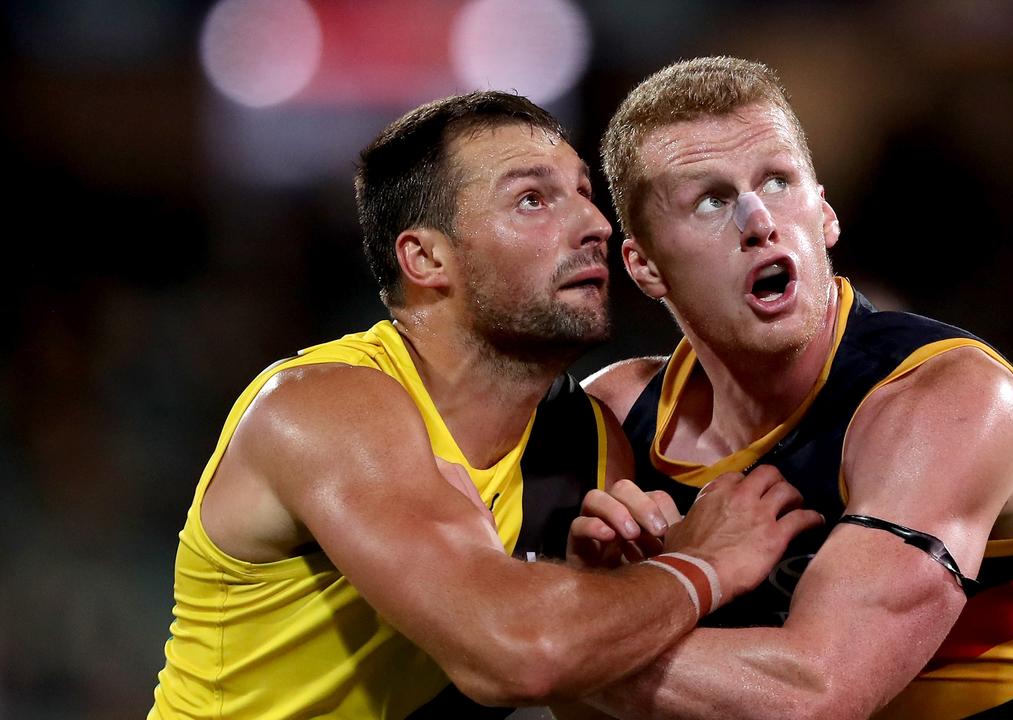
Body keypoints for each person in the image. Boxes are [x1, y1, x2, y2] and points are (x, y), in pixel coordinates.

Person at [147, 90, 821, 720]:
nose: (591, 223)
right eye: (533, 199)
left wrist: (597, 592)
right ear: (426, 258)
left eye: (584, 194)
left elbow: (583, 695)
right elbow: (517, 654)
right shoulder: (321, 409)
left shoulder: (587, 443)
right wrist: (702, 568)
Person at [575, 57, 1013, 719]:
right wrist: (601, 594)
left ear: (825, 215)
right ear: (643, 265)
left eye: (778, 181)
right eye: (711, 199)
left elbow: (813, 697)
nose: (757, 221)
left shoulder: (951, 404)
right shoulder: (612, 418)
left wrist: (570, 637)